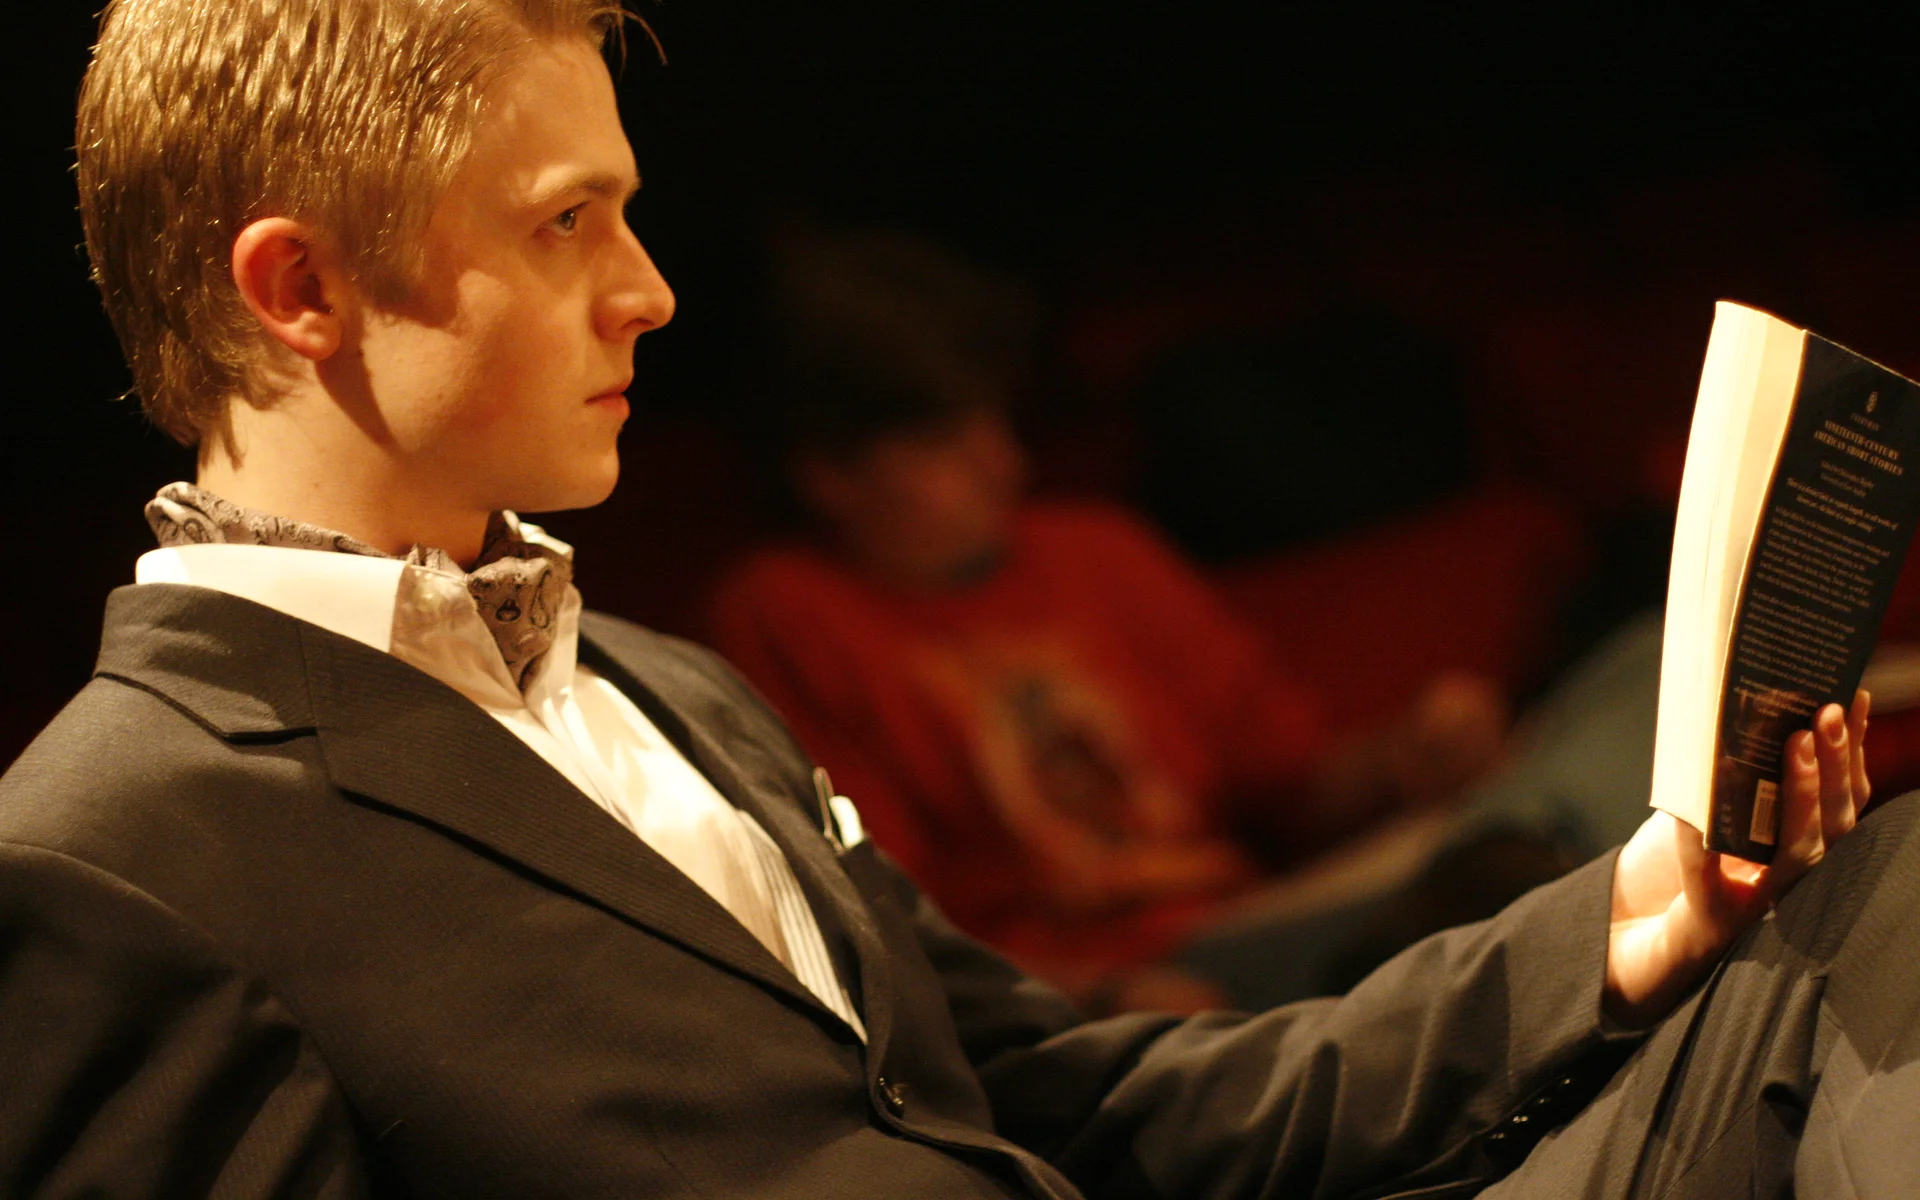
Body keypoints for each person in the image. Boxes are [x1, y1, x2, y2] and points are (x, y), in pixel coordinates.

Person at [0, 2, 1884, 1197]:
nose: (650, 289)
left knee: (1881, 898)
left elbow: (1095, 1106)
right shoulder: (109, 854)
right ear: (300, 292)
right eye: (568, 221)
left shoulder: (667, 687)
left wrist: (1621, 925)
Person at [712, 228, 1512, 1006]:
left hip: (1260, 927)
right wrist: (1095, 996)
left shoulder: (1096, 550)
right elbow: (878, 926)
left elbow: (1291, 779)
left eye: (997, 420)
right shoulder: (787, 614)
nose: (1004, 463)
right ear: (828, 475)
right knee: (1510, 881)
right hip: (1110, 996)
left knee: (1558, 768)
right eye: (944, 442)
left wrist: (1407, 757)